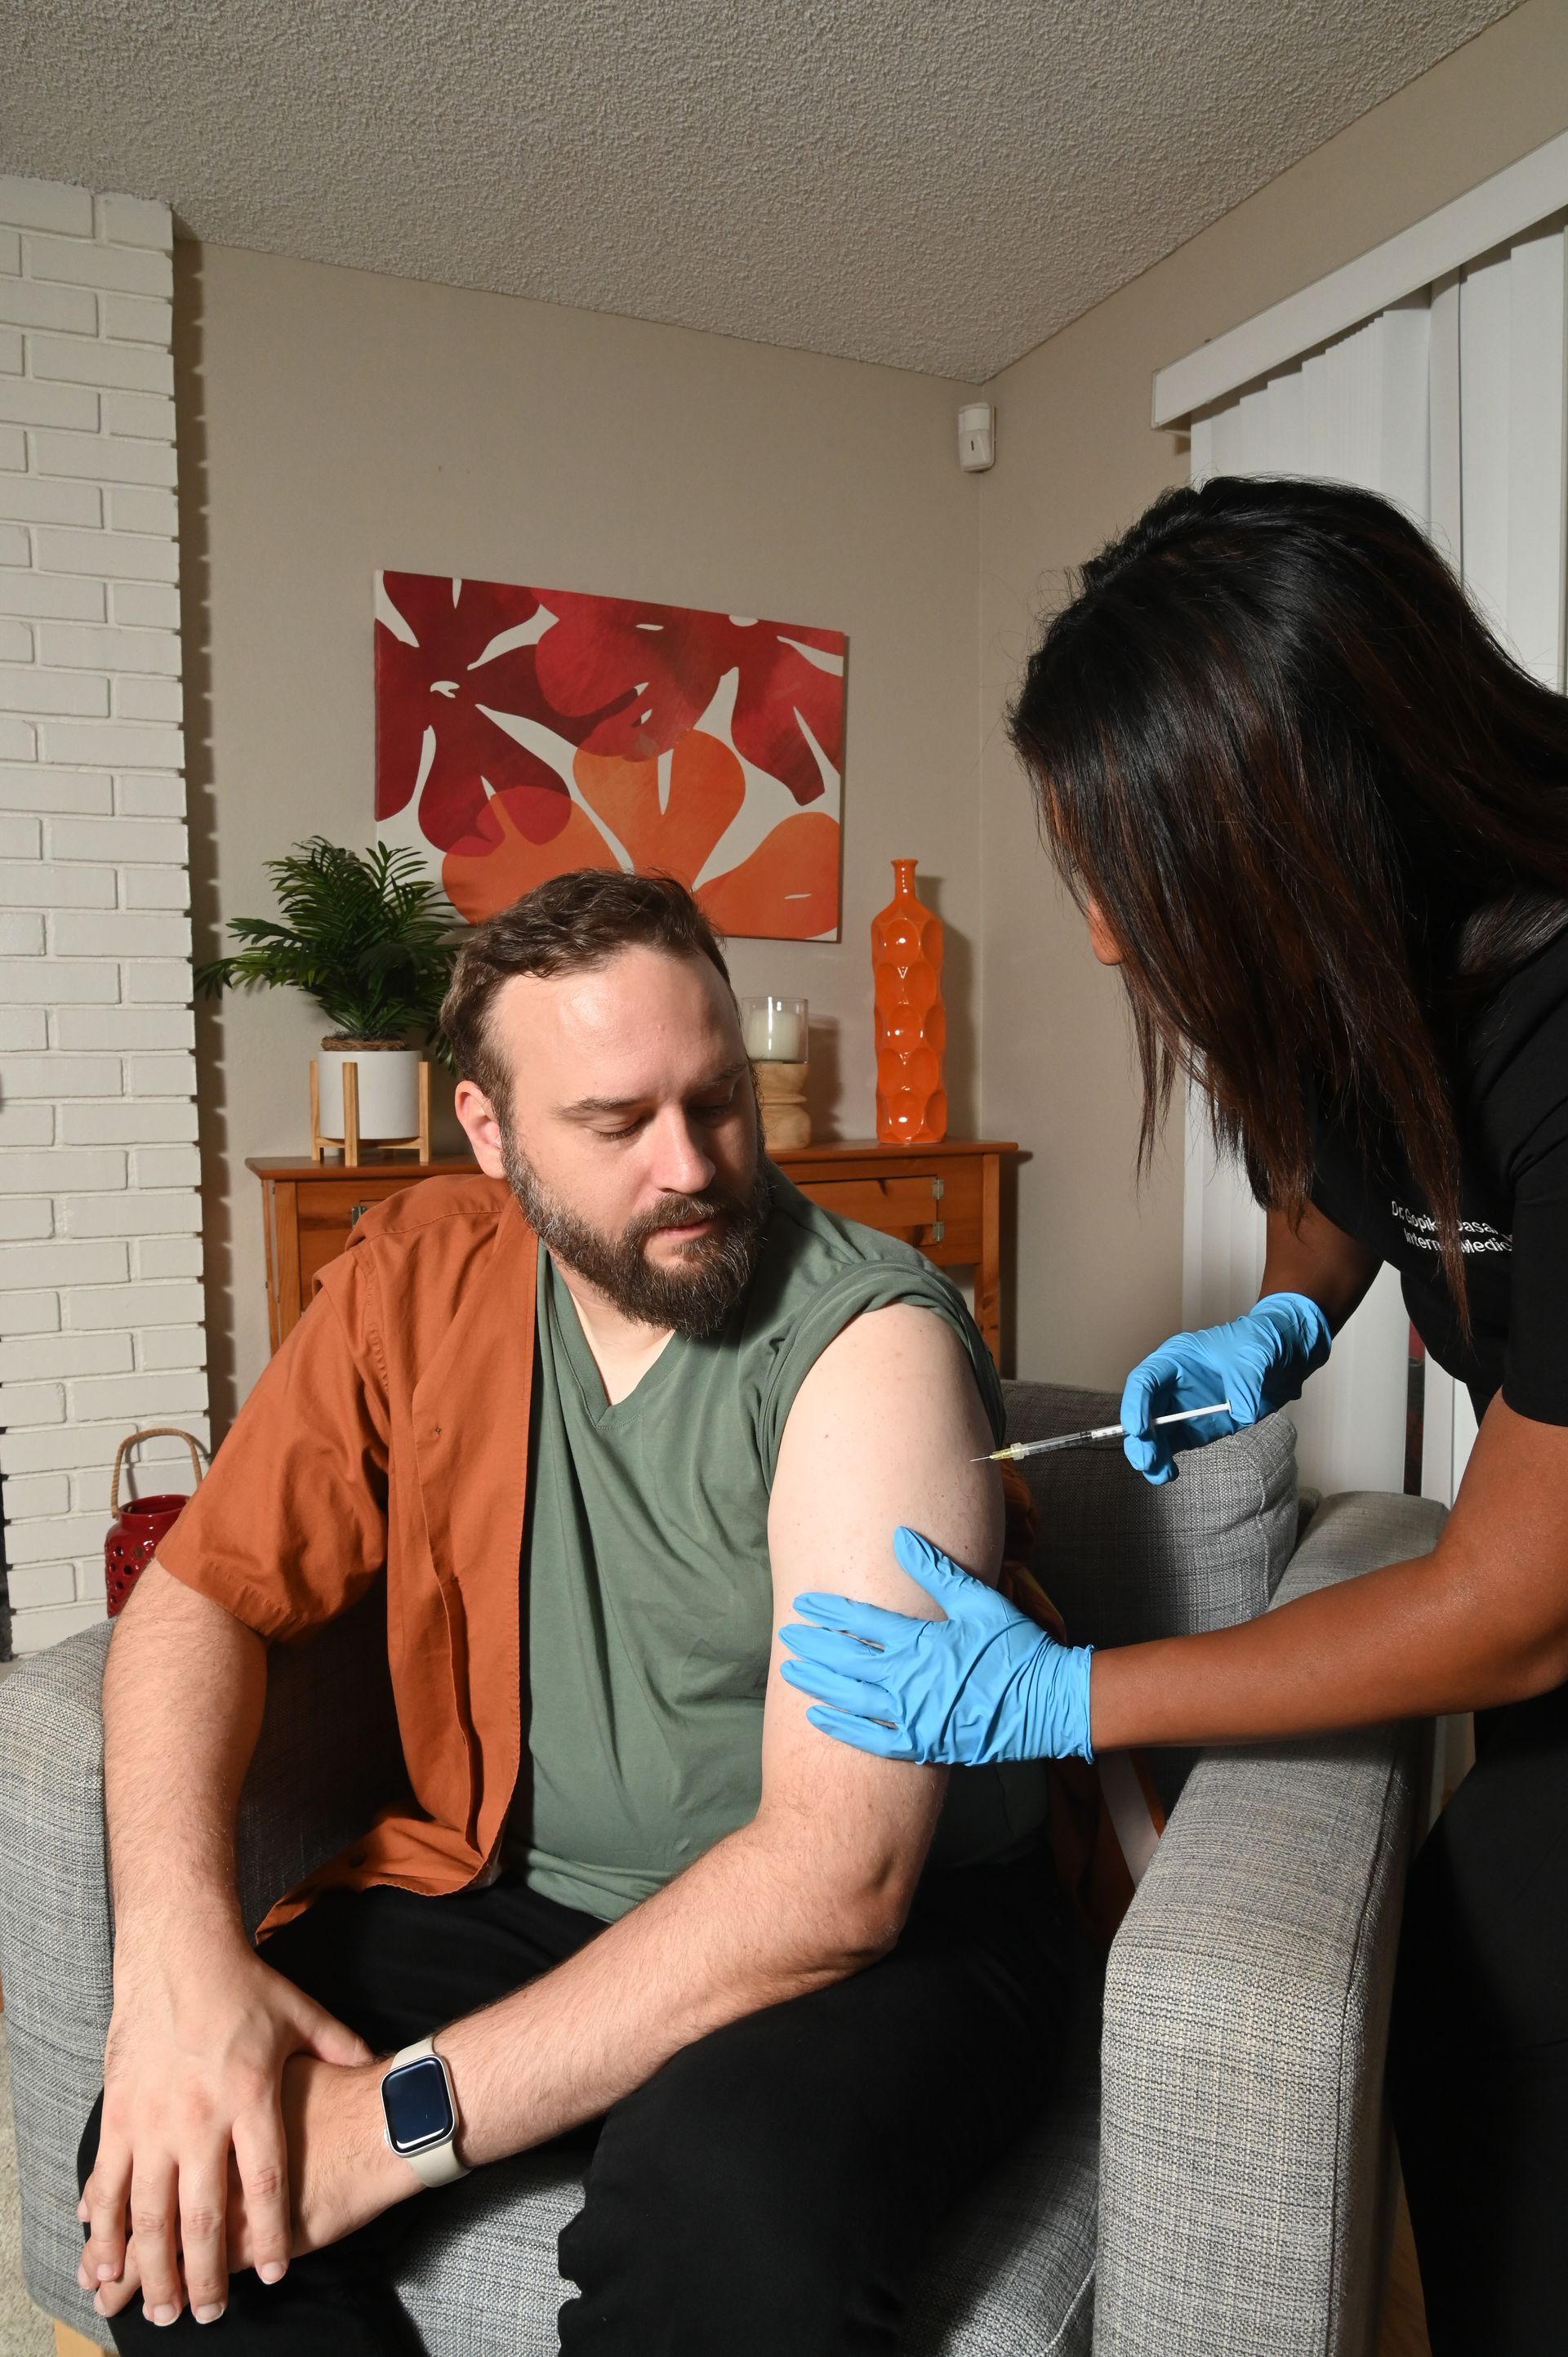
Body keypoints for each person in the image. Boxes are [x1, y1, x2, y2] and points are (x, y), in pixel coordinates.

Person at [782, 475, 1568, 2357]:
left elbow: (1515, 1607)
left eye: (1124, 880)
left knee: (1516, 1967)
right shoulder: (1367, 970)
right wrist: (1284, 1317)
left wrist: (1067, 1699)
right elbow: (1340, 1175)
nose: (1115, 947)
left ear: (1290, 831)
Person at [78, 871, 1064, 2355]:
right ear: (490, 1130)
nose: (693, 1163)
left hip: (882, 1942)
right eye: (615, 1124)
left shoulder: (874, 1343)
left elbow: (838, 1876)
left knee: (725, 2214)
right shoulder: (416, 1274)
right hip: (523, 1889)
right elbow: (192, 1601)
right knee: (172, 2161)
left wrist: (390, 2126)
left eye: (718, 1096)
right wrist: (175, 1966)